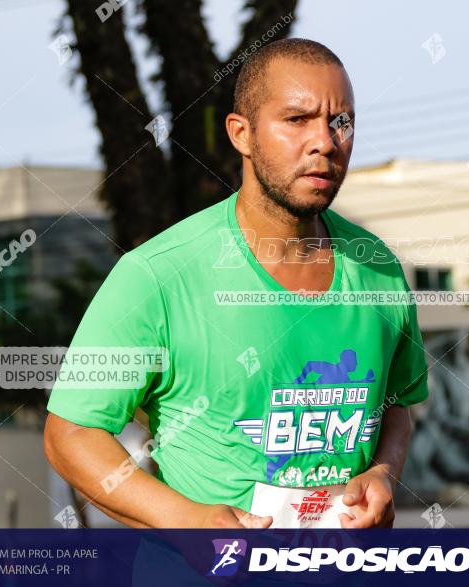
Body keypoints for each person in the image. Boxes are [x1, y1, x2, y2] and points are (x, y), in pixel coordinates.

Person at [43, 38, 428, 529]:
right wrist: (187, 521)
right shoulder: (158, 275)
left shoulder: (378, 269)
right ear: (241, 134)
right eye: (297, 120)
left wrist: (382, 472)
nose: (326, 142)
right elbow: (71, 434)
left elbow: (395, 405)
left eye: (341, 121)